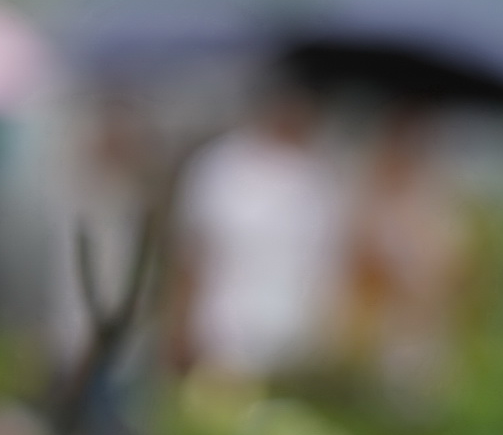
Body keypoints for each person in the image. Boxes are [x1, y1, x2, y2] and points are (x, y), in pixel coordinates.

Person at [173, 86, 347, 386]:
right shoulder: (220, 165)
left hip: (296, 346)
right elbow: (192, 254)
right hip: (221, 337)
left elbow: (328, 265)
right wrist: (180, 327)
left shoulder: (320, 176)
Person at [344, 106, 471, 408]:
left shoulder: (439, 203)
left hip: (424, 326)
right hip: (377, 327)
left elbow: (456, 270)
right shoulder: (366, 202)